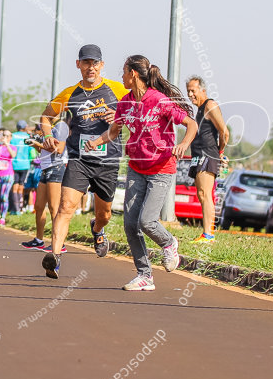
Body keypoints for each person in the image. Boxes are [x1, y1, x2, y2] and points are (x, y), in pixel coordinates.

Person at [84, 55, 197, 291]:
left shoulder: (159, 100)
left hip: (161, 168)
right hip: (136, 167)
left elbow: (191, 125)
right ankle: (145, 275)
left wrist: (184, 144)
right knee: (130, 223)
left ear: (133, 74)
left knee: (147, 221)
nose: (122, 77)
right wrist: (96, 142)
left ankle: (169, 243)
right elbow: (113, 132)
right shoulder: (125, 103)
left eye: (124, 72)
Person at [39, 45, 129, 279]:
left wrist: (120, 116)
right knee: (65, 207)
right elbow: (46, 117)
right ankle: (54, 257)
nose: (91, 67)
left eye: (95, 63)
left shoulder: (117, 89)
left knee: (105, 214)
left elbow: (137, 114)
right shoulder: (69, 94)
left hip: (107, 160)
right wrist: (48, 136)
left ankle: (97, 229)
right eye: (86, 63)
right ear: (78, 64)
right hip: (79, 160)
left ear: (102, 65)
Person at [185, 76, 229, 243]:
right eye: (188, 91)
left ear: (202, 90)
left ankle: (208, 234)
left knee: (205, 194)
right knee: (201, 194)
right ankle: (207, 233)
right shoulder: (199, 109)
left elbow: (224, 132)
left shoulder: (210, 105)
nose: (190, 94)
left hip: (208, 154)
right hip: (198, 156)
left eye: (193, 90)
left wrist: (220, 151)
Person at [21, 112, 68, 251]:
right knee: (39, 206)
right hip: (45, 167)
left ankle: (59, 244)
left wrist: (37, 143)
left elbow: (58, 149)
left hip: (57, 167)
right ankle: (38, 240)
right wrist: (34, 144)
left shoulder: (61, 126)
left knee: (54, 208)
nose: (47, 112)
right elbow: (44, 150)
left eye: (50, 108)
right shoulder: (48, 128)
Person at [9, 121, 34, 214]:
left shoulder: (12, 136)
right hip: (25, 164)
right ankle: (19, 209)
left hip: (14, 164)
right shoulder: (27, 136)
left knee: (14, 187)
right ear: (24, 127)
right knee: (21, 187)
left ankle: (14, 209)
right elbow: (32, 152)